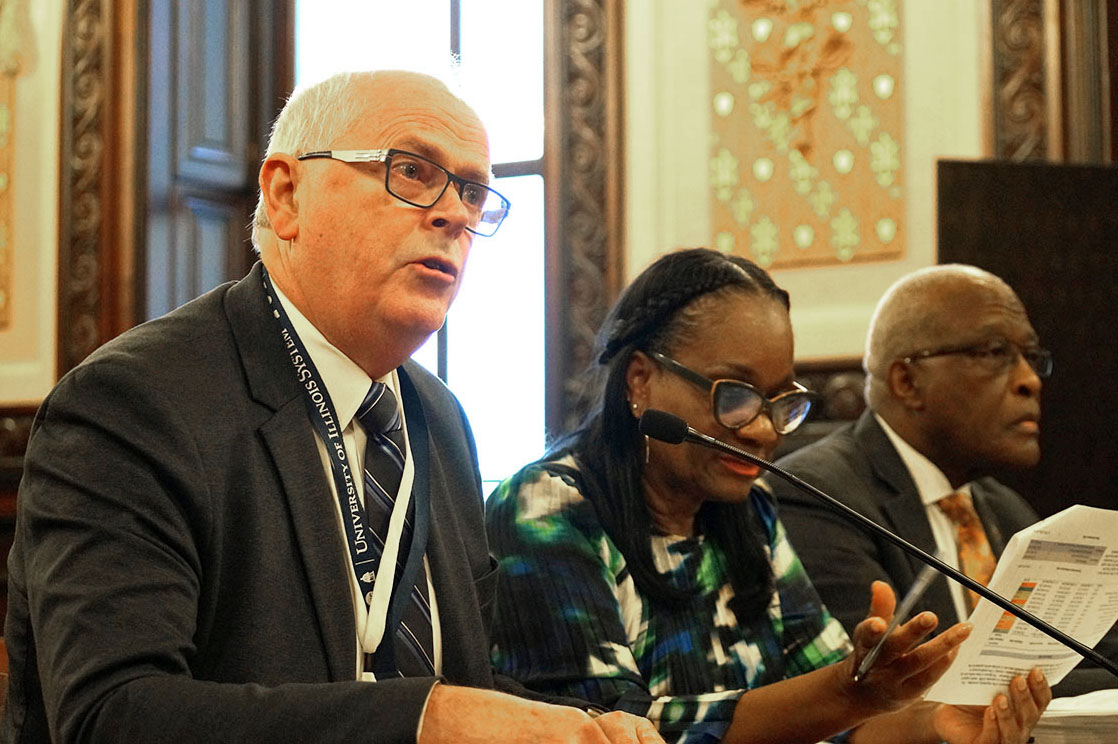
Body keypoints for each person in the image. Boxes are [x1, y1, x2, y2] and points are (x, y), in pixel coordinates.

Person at [3, 70, 663, 743]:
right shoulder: (132, 405)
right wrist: (423, 719)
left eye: (472, 191)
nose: (456, 215)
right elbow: (114, 716)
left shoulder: (440, 418)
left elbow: (460, 681)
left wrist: (585, 730)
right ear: (287, 196)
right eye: (412, 171)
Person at [486, 248, 1051, 744]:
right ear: (641, 381)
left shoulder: (750, 512)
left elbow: (845, 722)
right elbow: (608, 726)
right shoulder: (549, 507)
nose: (763, 430)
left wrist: (940, 723)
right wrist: (845, 693)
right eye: (734, 396)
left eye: (782, 402)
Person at [769, 264, 1118, 696]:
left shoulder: (1003, 508)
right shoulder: (815, 495)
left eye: (1031, 357)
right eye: (994, 353)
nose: (1029, 381)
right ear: (908, 381)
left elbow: (1095, 654)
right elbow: (908, 689)